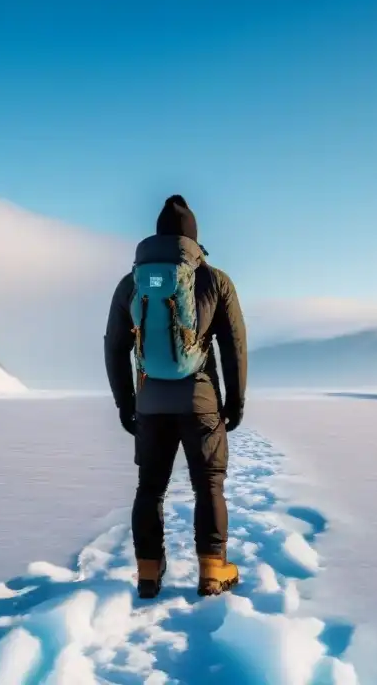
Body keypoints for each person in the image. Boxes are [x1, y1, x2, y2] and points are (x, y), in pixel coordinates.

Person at [104, 194, 248, 600]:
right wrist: (234, 402)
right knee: (209, 486)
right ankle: (213, 571)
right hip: (200, 402)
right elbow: (233, 345)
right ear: (194, 239)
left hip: (150, 404)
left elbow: (115, 347)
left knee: (149, 488)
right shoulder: (215, 279)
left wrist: (125, 403)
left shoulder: (131, 282)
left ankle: (148, 572)